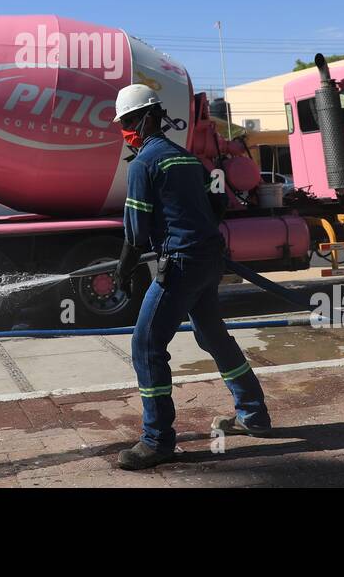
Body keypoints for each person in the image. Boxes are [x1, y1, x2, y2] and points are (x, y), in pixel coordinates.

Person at [113, 84, 272, 470]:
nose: (128, 129)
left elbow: (135, 235)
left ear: (150, 117)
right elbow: (217, 205)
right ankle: (253, 413)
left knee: (146, 345)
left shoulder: (143, 165)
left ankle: (157, 440)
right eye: (124, 123)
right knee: (211, 334)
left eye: (132, 121)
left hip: (182, 265)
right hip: (208, 259)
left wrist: (122, 270)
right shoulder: (186, 159)